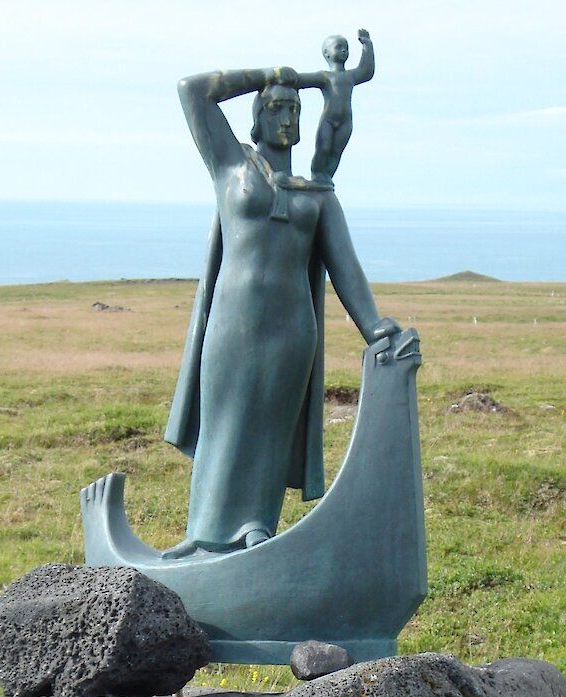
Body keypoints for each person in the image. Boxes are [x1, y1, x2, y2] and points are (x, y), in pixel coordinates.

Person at [162, 65, 397, 559]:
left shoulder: (317, 195)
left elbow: (346, 269)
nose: (286, 118)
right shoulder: (231, 166)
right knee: (223, 418)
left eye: (294, 109)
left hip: (291, 329)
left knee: (271, 424)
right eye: (275, 108)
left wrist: (375, 327)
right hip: (232, 321)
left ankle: (256, 524)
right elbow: (193, 90)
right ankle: (202, 531)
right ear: (257, 118)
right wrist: (275, 74)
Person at [296, 29, 375, 183]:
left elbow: (367, 71)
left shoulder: (351, 76)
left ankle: (326, 178)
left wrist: (367, 45)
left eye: (346, 47)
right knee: (324, 148)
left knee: (337, 151)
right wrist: (286, 78)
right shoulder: (324, 76)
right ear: (327, 53)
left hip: (346, 121)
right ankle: (316, 175)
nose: (344, 50)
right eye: (339, 47)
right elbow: (301, 80)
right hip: (328, 120)